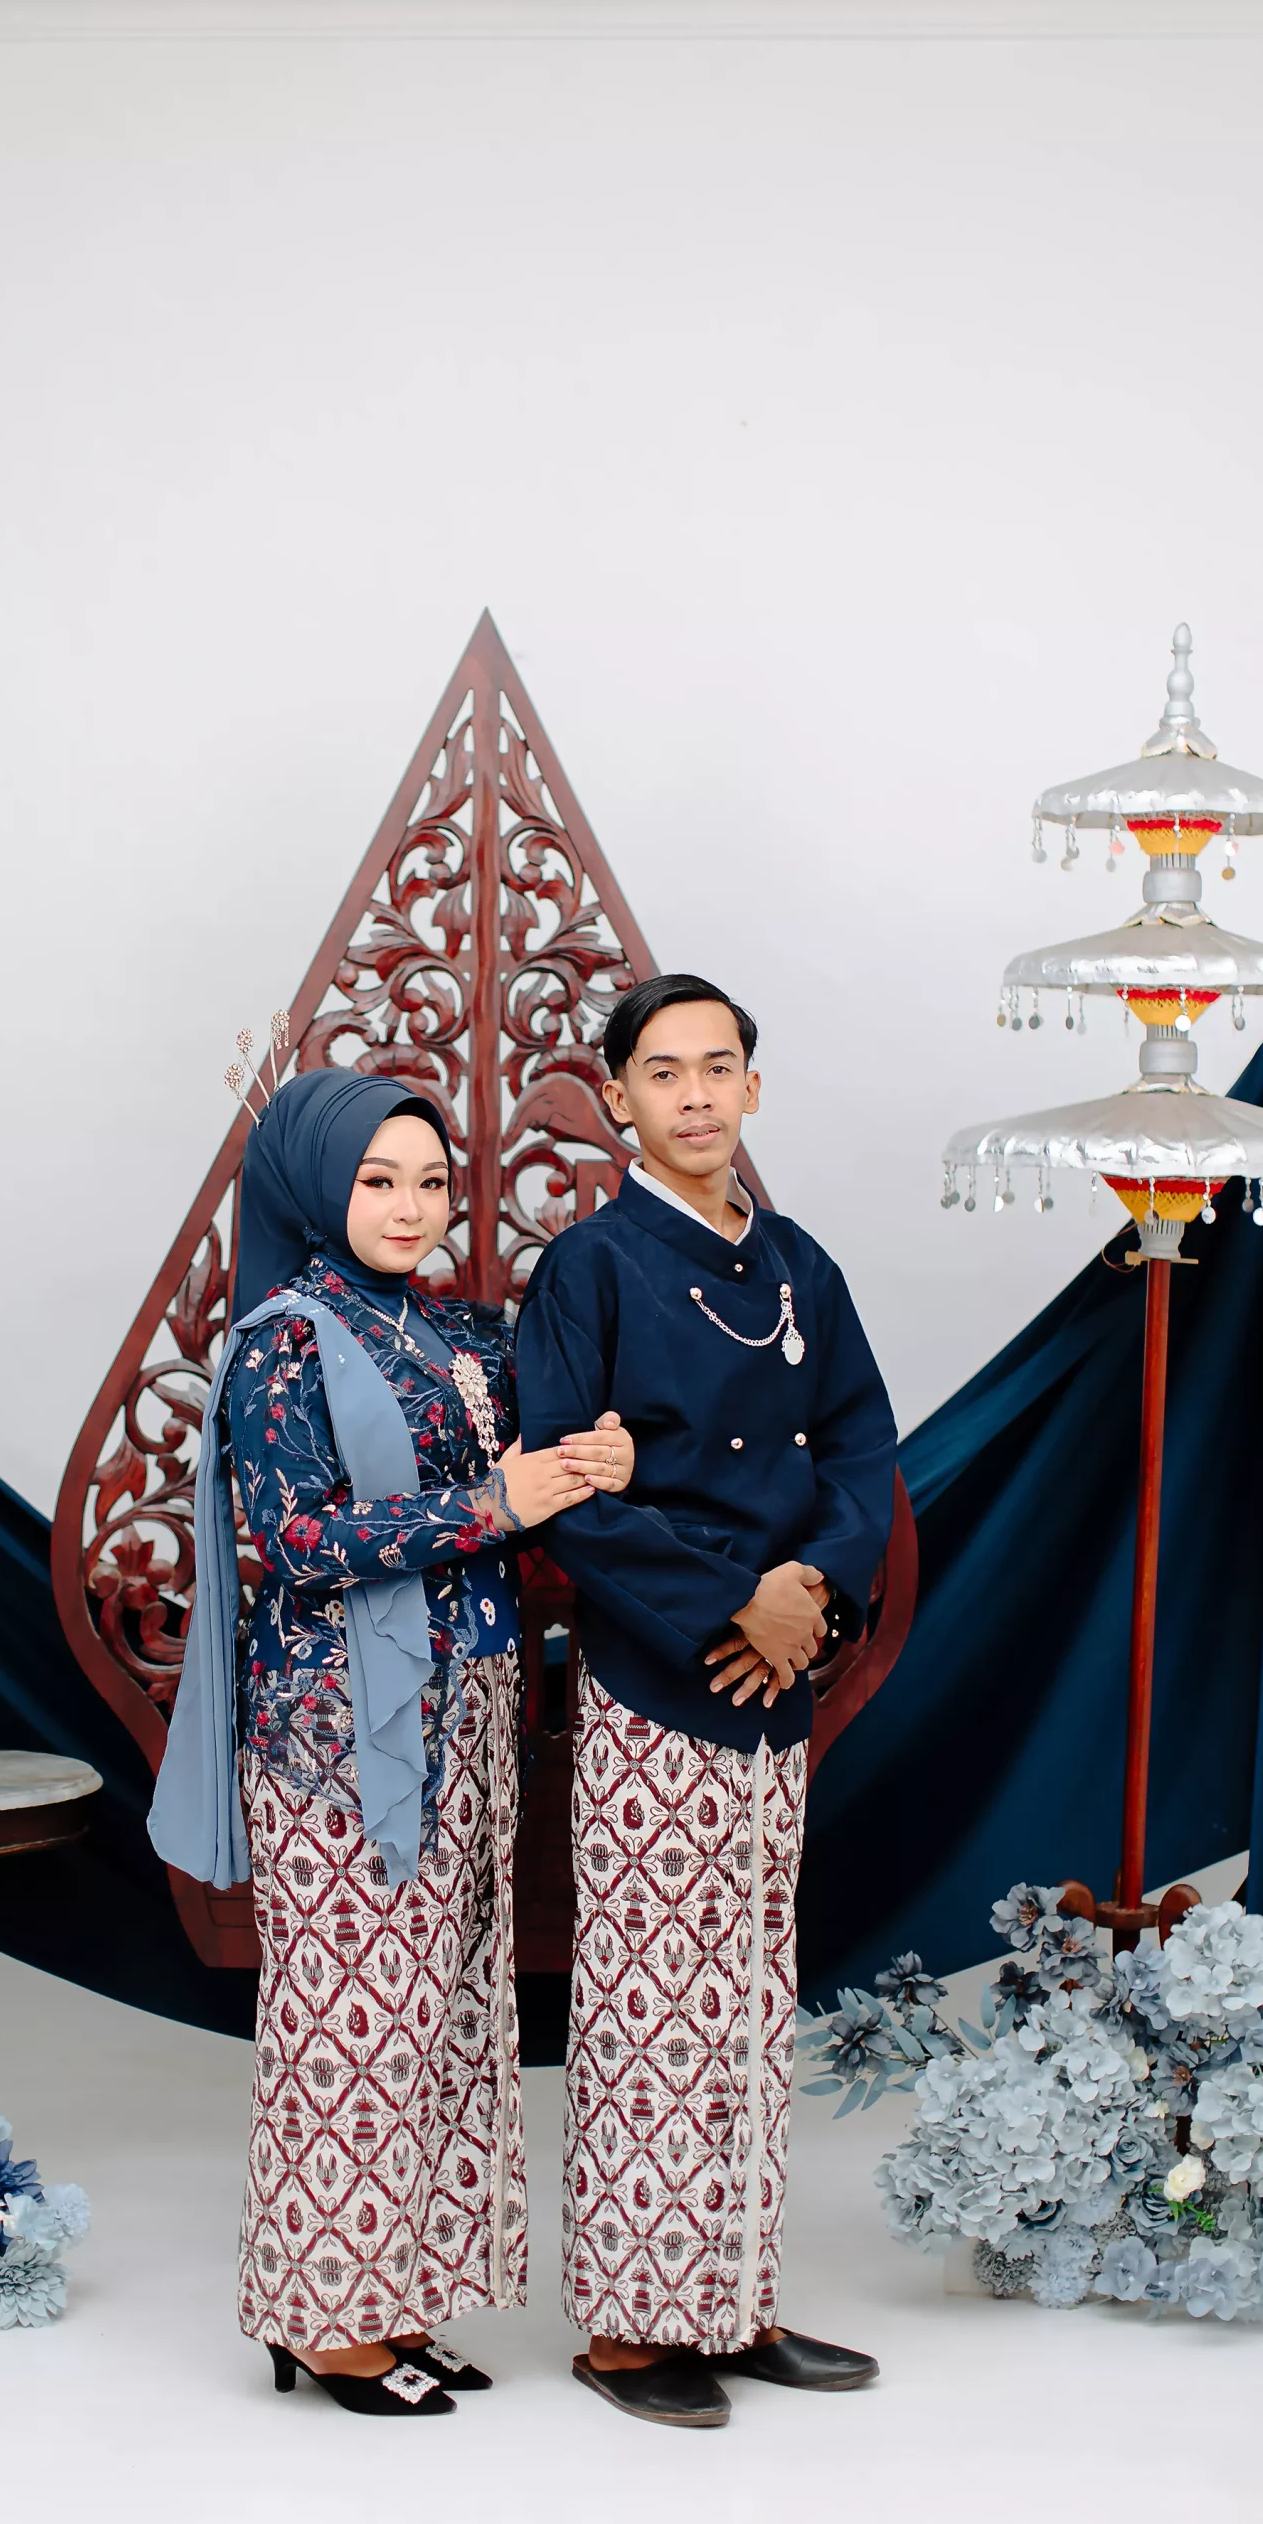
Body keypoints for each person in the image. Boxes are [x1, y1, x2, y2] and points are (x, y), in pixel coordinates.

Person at [149, 1067, 635, 2416]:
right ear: (321, 1187)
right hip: (333, 1734)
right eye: (379, 1181)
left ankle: (397, 2301)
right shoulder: (280, 1343)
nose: (412, 1208)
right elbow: (295, 1541)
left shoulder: (459, 1333)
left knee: (447, 2015)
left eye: (430, 1183)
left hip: (469, 1713)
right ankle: (323, 2321)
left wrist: (586, 1463)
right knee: (347, 2022)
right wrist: (494, 1504)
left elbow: (531, 1469)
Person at [515, 973, 897, 2429]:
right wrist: (728, 1604)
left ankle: (734, 2301)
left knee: (747, 1998)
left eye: (717, 1067)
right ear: (617, 1097)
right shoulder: (591, 1267)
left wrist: (811, 1594)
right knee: (647, 2009)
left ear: (751, 1088)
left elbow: (859, 1448)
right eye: (662, 1072)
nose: (692, 1095)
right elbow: (562, 1484)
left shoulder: (798, 1262)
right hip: (659, 1674)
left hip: (775, 1674)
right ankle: (631, 2330)